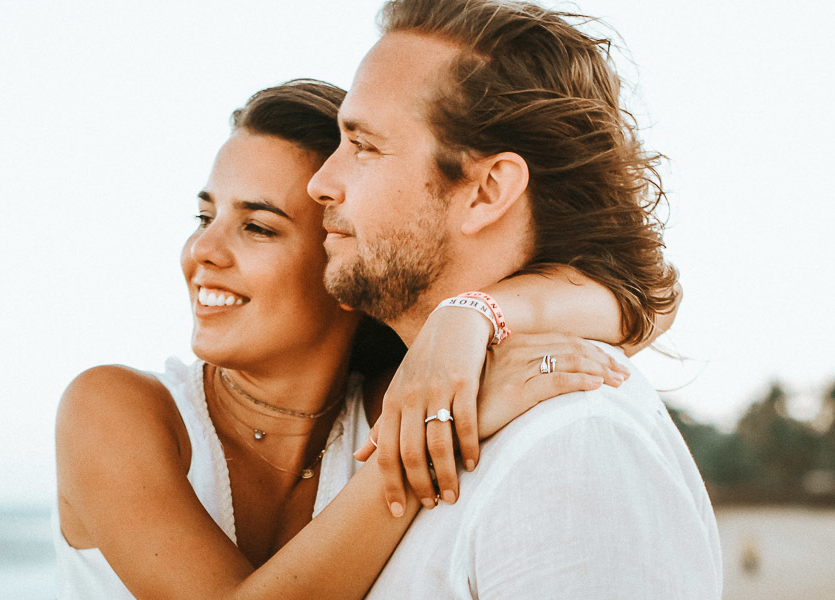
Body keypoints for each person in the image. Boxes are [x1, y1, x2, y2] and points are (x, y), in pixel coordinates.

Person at [53, 79, 664, 599]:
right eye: (204, 216)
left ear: (351, 261)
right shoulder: (113, 410)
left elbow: (646, 306)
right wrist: (421, 442)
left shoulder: (397, 401)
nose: (202, 252)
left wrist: (470, 315)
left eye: (258, 227)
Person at [306, 0, 722, 597]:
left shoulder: (573, 444)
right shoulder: (378, 412)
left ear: (486, 191)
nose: (321, 183)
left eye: (363, 146)